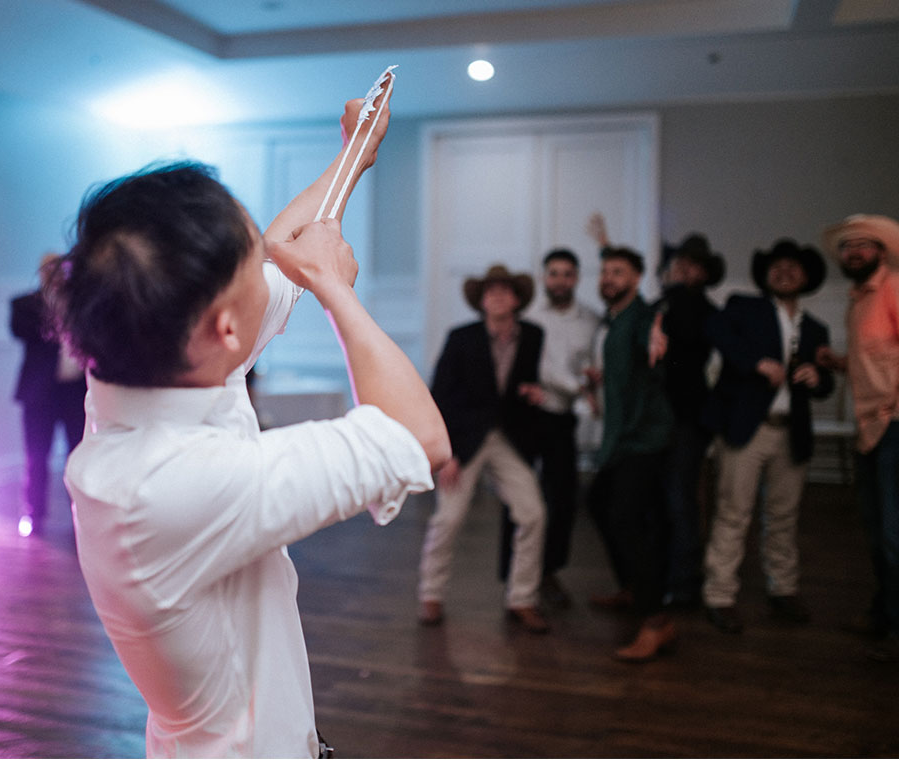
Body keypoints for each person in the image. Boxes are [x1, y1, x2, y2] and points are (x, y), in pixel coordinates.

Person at [49, 86, 451, 758]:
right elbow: (418, 436)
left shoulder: (142, 362)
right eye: (247, 265)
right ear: (224, 328)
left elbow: (279, 249)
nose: (264, 260)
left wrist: (356, 154)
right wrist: (335, 290)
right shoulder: (164, 487)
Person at [701, 240, 833, 635]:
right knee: (733, 513)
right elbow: (717, 332)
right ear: (765, 274)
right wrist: (756, 362)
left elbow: (825, 384)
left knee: (783, 517)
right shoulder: (744, 307)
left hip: (791, 432)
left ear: (807, 278)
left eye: (794, 266)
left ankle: (784, 590)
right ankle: (719, 596)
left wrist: (818, 377)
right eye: (777, 265)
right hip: (748, 429)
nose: (785, 271)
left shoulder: (816, 329)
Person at [417, 264, 550, 634]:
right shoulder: (462, 338)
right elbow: (440, 397)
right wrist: (447, 455)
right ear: (481, 300)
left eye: (505, 291)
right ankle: (431, 594)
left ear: (517, 299)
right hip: (464, 444)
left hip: (508, 440)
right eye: (491, 292)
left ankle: (522, 598)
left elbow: (529, 385)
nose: (498, 297)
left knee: (533, 513)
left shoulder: (533, 336)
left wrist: (534, 394)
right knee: (449, 518)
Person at [585, 245, 676, 661]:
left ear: (635, 279)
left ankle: (657, 621)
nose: (609, 278)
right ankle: (632, 588)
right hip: (619, 437)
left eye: (618, 272)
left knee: (626, 518)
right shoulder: (614, 320)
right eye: (605, 271)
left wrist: (656, 346)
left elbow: (652, 347)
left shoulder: (642, 318)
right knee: (599, 503)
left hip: (642, 438)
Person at [819, 214, 899, 662]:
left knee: (892, 531)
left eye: (862, 246)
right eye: (847, 247)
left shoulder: (894, 289)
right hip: (868, 427)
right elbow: (874, 362)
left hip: (895, 427)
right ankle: (883, 613)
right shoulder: (857, 301)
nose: (853, 253)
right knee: (874, 529)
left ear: (881, 253)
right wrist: (838, 362)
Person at [522, 248, 601, 608]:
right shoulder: (528, 318)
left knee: (563, 497)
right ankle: (518, 574)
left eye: (567, 274)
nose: (560, 280)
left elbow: (594, 368)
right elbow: (532, 367)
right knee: (522, 498)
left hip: (563, 417)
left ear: (577, 278)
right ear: (544, 278)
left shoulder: (592, 321)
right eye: (554, 273)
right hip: (529, 413)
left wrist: (588, 387)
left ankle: (550, 572)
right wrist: (578, 386)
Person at [655, 234, 725, 606]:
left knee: (681, 497)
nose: (683, 268)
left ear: (704, 272)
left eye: (692, 264)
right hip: (656, 418)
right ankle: (662, 573)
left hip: (687, 417)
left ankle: (684, 581)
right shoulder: (660, 305)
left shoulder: (705, 311)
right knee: (661, 497)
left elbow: (687, 342)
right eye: (679, 262)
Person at [10, 253, 86, 536]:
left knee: (78, 456)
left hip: (74, 392)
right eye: (50, 270)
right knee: (36, 455)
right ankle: (33, 513)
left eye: (61, 269)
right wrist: (56, 307)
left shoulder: (80, 305)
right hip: (40, 393)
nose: (56, 275)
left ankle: (81, 517)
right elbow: (21, 330)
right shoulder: (26, 304)